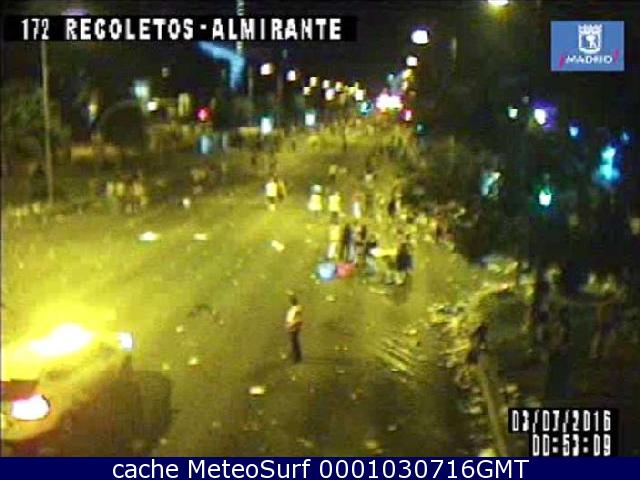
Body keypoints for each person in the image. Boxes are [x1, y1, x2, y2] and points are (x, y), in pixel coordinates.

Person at [285, 294, 304, 363]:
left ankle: (296, 358)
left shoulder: (296, 309)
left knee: (294, 343)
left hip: (294, 328)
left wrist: (290, 325)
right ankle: (298, 356)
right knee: (295, 342)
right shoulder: (295, 308)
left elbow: (298, 319)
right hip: (293, 327)